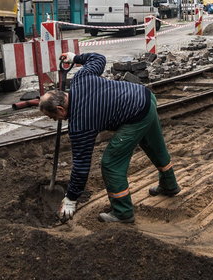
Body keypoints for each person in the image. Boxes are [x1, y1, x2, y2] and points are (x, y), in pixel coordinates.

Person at [39, 52, 179, 225]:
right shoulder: (81, 78)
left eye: (53, 118)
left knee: (111, 163)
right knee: (154, 146)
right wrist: (75, 57)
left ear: (60, 109)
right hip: (145, 97)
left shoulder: (80, 124)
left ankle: (123, 213)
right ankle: (170, 185)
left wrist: (71, 198)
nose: (55, 121)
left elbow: (81, 166)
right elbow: (98, 58)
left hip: (136, 115)